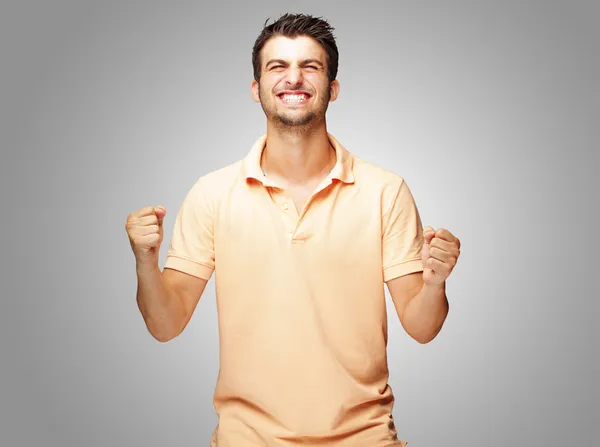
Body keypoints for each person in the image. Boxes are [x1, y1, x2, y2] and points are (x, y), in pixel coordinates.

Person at [125, 13, 461, 447]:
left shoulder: (384, 191)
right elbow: (165, 324)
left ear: (333, 88)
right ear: (256, 89)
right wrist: (145, 262)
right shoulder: (212, 194)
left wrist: (435, 283)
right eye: (277, 66)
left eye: (311, 66)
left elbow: (422, 328)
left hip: (365, 438)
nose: (293, 78)